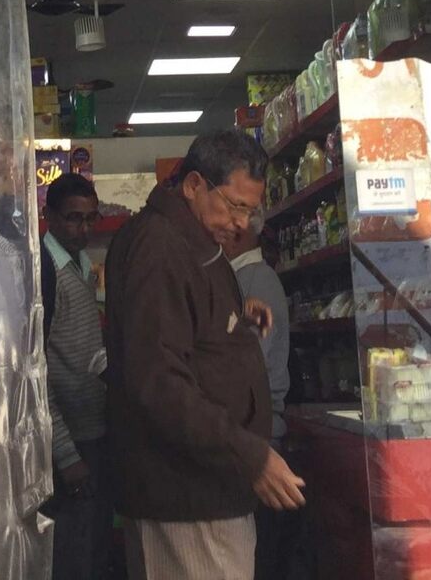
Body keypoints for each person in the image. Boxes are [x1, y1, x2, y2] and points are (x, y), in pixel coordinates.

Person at [106, 130, 305, 580]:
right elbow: (158, 381)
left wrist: (232, 317)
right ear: (194, 184)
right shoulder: (161, 246)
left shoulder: (189, 240)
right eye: (234, 206)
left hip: (208, 494)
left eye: (250, 212)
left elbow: (185, 328)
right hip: (185, 499)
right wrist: (250, 456)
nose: (241, 223)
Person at [40, 173, 111, 580]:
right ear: (48, 216)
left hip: (93, 433)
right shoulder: (46, 273)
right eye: (73, 218)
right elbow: (36, 373)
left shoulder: (81, 265)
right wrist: (66, 455)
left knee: (93, 547)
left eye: (90, 218)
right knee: (72, 557)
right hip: (66, 445)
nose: (84, 229)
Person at [224, 215, 292, 580]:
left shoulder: (256, 279)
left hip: (259, 435)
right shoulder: (237, 275)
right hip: (250, 434)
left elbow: (247, 367)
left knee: (258, 557)